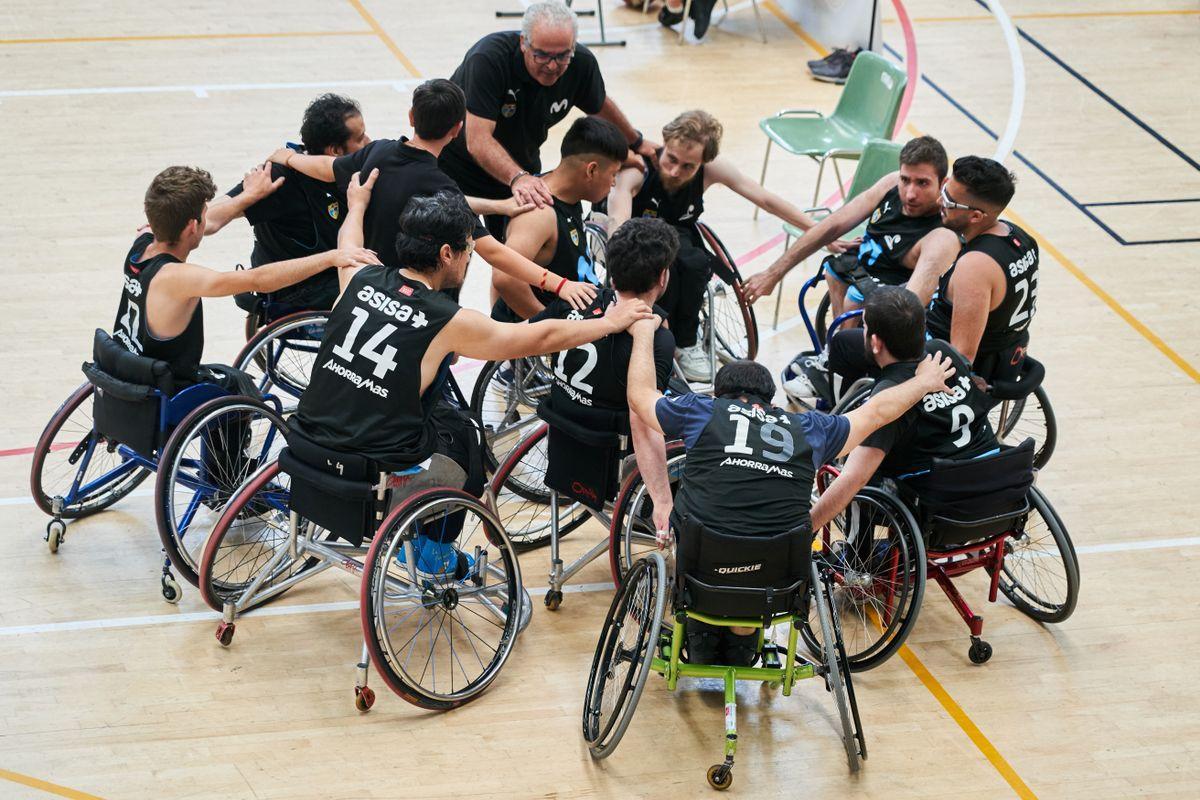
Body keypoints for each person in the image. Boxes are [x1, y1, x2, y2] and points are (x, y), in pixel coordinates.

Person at [288, 179, 654, 570]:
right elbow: (538, 336)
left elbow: (348, 243)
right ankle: (437, 551)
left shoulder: (357, 276)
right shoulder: (447, 320)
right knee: (467, 437)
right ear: (447, 253)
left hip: (304, 443)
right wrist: (610, 323)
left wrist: (356, 203)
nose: (470, 259)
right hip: (371, 466)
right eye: (468, 249)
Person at [625, 319, 955, 664]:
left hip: (702, 576)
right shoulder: (809, 427)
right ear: (769, 402)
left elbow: (639, 397)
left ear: (722, 397)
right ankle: (743, 636)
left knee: (700, 528)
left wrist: (645, 333)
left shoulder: (703, 410)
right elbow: (877, 412)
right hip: (778, 585)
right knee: (759, 561)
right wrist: (922, 383)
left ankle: (703, 632)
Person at [272, 78, 596, 311]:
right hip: (411, 302)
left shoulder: (378, 153)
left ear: (411, 118)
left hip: (363, 286)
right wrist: (560, 283)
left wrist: (288, 157)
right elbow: (495, 253)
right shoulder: (444, 189)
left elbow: (326, 169)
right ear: (457, 130)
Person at [605, 109, 852, 381]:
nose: (675, 171)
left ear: (704, 162)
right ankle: (662, 333)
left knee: (696, 263)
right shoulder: (640, 168)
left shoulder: (712, 169)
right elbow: (618, 219)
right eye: (671, 159)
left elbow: (766, 200)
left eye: (688, 166)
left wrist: (820, 232)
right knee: (668, 265)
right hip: (636, 237)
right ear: (665, 142)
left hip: (678, 234)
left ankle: (685, 343)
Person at [113, 166, 379, 394]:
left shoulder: (141, 244)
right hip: (169, 386)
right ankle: (235, 456)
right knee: (241, 388)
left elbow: (204, 221)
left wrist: (249, 195)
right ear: (193, 226)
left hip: (130, 371)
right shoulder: (177, 278)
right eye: (205, 214)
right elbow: (258, 279)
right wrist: (331, 257)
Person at [741, 135, 960, 404]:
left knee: (855, 298)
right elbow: (834, 224)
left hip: (897, 293)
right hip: (868, 270)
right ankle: (836, 363)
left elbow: (912, 304)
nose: (910, 192)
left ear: (943, 184)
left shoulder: (940, 235)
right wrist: (774, 273)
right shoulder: (891, 183)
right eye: (906, 180)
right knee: (836, 268)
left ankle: (842, 365)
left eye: (923, 183)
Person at [821, 156, 1038, 399]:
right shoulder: (1021, 239)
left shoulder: (974, 266)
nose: (940, 201)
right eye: (944, 191)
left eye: (950, 201)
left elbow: (961, 357)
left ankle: (840, 416)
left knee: (843, 343)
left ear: (976, 216)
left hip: (944, 361)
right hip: (1006, 354)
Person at [438, 1, 658, 238]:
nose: (552, 66)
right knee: (451, 254)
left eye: (562, 56)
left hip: (519, 163)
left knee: (520, 253)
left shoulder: (581, 64)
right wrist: (518, 178)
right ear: (524, 43)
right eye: (542, 55)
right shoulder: (489, 59)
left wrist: (636, 142)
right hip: (458, 168)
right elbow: (478, 140)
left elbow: (599, 104)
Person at [532, 217, 680, 532]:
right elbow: (644, 420)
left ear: (611, 276)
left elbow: (529, 337)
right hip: (609, 453)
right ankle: (651, 513)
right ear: (663, 278)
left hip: (562, 435)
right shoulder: (657, 342)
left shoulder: (577, 297)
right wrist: (664, 498)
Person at [807, 287, 998, 529]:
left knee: (857, 478)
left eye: (864, 327)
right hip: (992, 480)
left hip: (938, 503)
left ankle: (856, 559)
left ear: (875, 342)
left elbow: (853, 479)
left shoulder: (891, 399)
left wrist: (805, 530)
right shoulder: (944, 352)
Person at [204, 94, 370, 316]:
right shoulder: (280, 177)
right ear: (335, 151)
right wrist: (248, 196)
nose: (368, 141)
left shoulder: (339, 170)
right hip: (301, 288)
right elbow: (208, 220)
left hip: (329, 274)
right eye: (360, 138)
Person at [493, 115, 626, 321]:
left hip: (584, 305)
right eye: (614, 174)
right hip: (559, 330)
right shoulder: (539, 213)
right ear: (591, 170)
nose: (614, 183)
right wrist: (549, 327)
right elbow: (504, 278)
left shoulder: (564, 189)